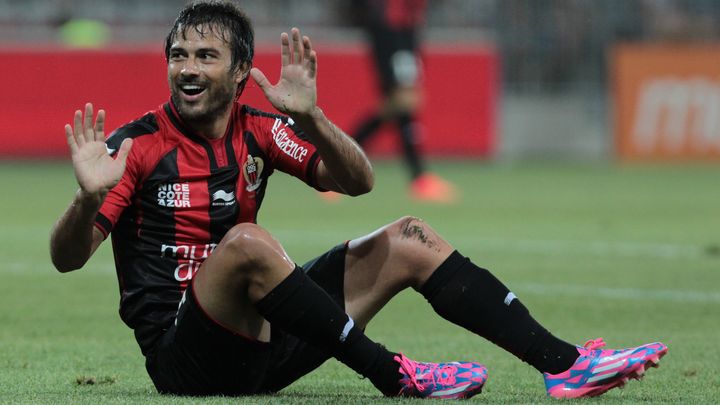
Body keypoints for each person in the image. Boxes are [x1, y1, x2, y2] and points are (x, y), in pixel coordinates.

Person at [50, 0, 666, 399]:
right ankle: (394, 374)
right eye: (179, 55)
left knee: (409, 237)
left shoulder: (258, 127)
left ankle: (563, 365)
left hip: (268, 342)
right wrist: (85, 201)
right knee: (245, 242)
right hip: (187, 362)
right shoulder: (136, 146)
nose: (188, 67)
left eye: (206, 56)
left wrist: (313, 118)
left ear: (240, 73)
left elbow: (357, 182)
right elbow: (66, 259)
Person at [349, 0, 457, 203]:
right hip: (391, 29)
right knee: (403, 101)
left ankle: (338, 161)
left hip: (406, 29)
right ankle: (419, 178)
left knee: (399, 104)